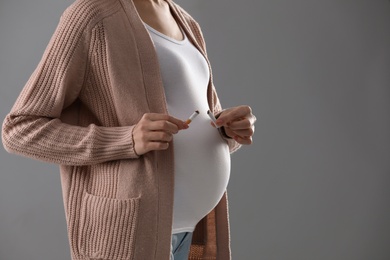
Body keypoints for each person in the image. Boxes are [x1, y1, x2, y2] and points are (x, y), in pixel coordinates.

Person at [2, 0, 256, 259]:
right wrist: (126, 139)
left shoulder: (186, 21)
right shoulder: (92, 16)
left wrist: (227, 130)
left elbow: (205, 113)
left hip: (193, 233)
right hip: (131, 231)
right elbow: (19, 129)